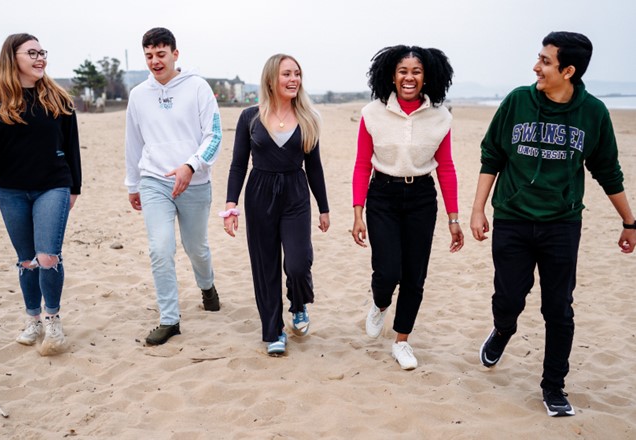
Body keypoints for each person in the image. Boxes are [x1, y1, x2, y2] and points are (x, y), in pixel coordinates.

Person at [471, 31, 636, 417]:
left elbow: (607, 170)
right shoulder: (516, 101)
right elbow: (491, 154)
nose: (536, 67)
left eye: (545, 61)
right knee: (509, 298)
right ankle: (503, 330)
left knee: (558, 308)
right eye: (539, 58)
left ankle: (554, 386)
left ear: (569, 70)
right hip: (511, 219)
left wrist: (630, 221)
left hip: (562, 224)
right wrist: (478, 209)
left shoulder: (593, 113)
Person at [0, 33, 81, 355]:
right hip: (11, 191)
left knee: (47, 257)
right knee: (27, 261)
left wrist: (75, 189)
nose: (40, 58)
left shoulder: (58, 98)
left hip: (53, 186)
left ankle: (53, 319)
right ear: (12, 58)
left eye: (43, 52)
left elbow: (71, 147)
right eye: (32, 53)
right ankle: (33, 320)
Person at [352, 45, 464, 370]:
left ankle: (402, 341)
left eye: (416, 71)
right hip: (382, 195)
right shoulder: (371, 113)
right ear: (392, 75)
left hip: (421, 199)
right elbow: (361, 164)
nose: (409, 77)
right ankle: (379, 303)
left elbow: (446, 167)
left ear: (427, 77)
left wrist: (453, 217)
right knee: (387, 271)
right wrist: (358, 211)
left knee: (415, 275)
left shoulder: (441, 117)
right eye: (403, 71)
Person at [223, 54, 330, 356]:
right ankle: (273, 331)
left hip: (295, 193)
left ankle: (298, 305)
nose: (293, 79)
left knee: (298, 262)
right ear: (272, 79)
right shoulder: (250, 117)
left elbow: (316, 167)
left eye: (297, 74)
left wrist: (323, 207)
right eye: (287, 74)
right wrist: (231, 205)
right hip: (259, 193)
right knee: (265, 265)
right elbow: (237, 165)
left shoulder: (309, 118)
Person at [125, 27, 222, 346]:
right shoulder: (138, 95)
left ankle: (207, 286)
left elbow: (215, 136)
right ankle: (169, 320)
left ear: (175, 54)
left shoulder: (198, 88)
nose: (154, 61)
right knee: (160, 248)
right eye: (149, 55)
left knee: (197, 248)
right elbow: (134, 142)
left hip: (194, 182)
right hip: (154, 181)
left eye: (160, 54)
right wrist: (133, 184)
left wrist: (190, 165)